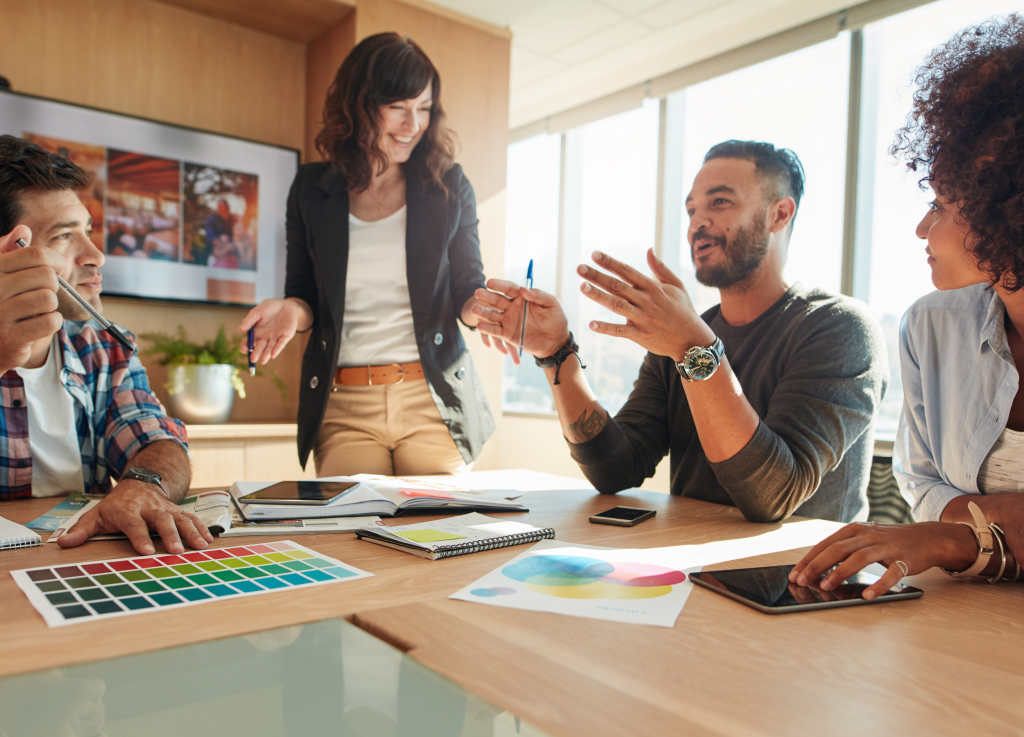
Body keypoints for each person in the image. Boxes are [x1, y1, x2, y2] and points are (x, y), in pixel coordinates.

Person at [475, 141, 888, 523]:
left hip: (801, 588)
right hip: (690, 571)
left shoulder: (840, 328)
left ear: (778, 214)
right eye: (691, 210)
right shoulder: (682, 335)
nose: (697, 223)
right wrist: (556, 352)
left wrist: (693, 347)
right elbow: (616, 468)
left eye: (720, 203)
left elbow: (773, 495)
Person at [791, 14, 1024, 598]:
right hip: (962, 623)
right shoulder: (930, 325)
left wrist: (960, 537)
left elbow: (943, 524)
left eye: (943, 205)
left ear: (1009, 208)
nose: (924, 227)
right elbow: (922, 486)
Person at [240, 33, 509, 477]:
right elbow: (304, 295)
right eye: (398, 107)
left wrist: (489, 308)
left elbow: (467, 287)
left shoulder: (448, 186)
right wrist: (290, 309)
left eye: (424, 108)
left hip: (433, 399)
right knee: (350, 537)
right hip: (345, 407)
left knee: (440, 537)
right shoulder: (311, 189)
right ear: (360, 105)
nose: (413, 124)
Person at [0, 134, 211, 555]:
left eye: (89, 231)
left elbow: (155, 440)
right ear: (10, 250)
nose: (96, 254)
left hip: (75, 561)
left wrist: (142, 486)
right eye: (63, 236)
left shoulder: (102, 345)